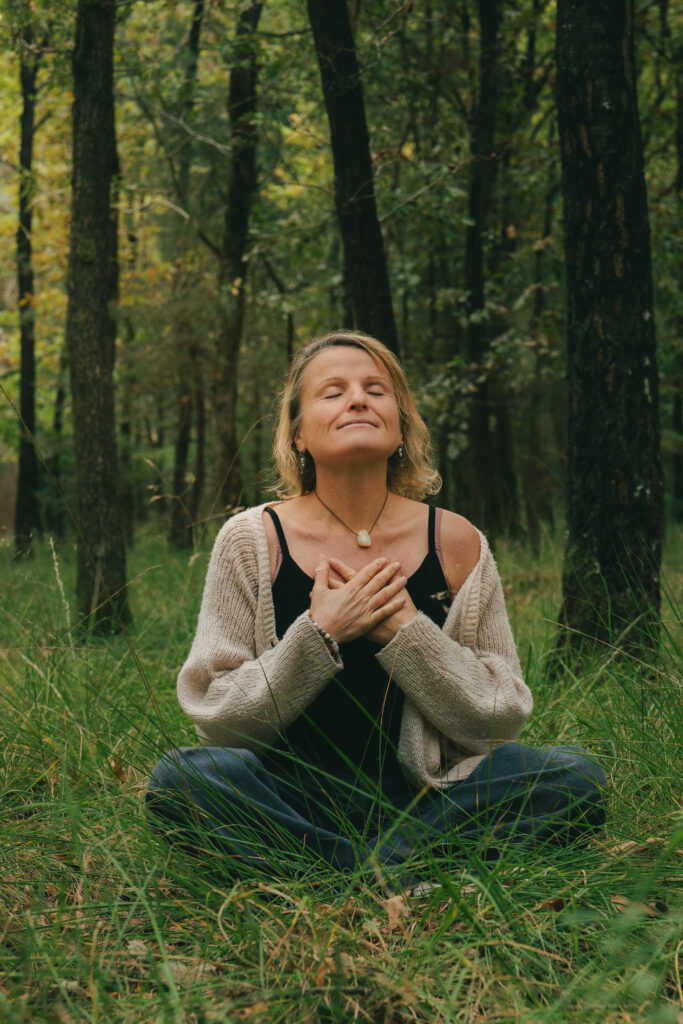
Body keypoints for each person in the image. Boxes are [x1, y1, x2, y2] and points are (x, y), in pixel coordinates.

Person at [146, 330, 607, 892]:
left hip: (431, 799)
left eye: (375, 390)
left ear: (401, 427)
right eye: (333, 392)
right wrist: (320, 633)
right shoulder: (250, 540)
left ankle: (336, 873)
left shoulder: (456, 541)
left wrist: (406, 632)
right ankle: (392, 873)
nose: (358, 400)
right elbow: (215, 716)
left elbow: (498, 716)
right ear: (297, 435)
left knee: (575, 777)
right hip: (287, 795)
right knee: (184, 777)